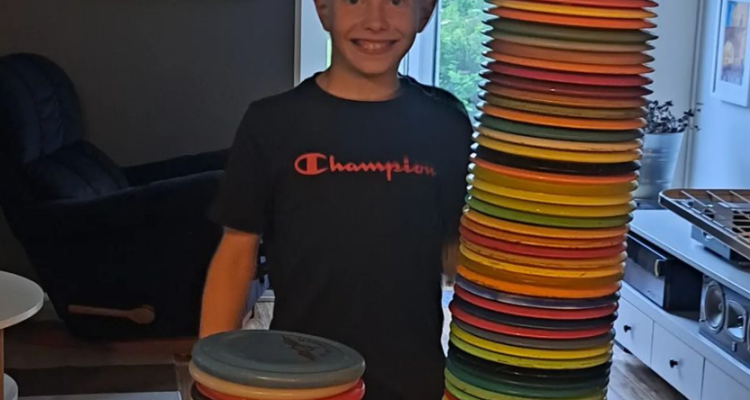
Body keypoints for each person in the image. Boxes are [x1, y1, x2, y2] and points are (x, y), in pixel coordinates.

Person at [200, 0, 472, 398]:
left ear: (425, 12)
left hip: (416, 378)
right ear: (324, 8)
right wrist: (211, 377)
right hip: (301, 375)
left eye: (396, 1)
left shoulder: (447, 123)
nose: (375, 21)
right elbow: (236, 253)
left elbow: (456, 254)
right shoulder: (272, 123)